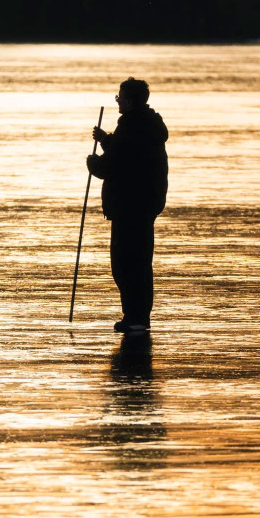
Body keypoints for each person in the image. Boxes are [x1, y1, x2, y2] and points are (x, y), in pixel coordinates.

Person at [87, 78, 168, 333]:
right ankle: (138, 317)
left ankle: (135, 317)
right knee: (140, 262)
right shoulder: (146, 124)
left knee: (125, 263)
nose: (118, 100)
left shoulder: (132, 126)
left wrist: (93, 164)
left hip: (129, 205)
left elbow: (114, 165)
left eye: (120, 96)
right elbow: (127, 152)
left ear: (130, 101)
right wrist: (106, 141)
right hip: (144, 204)